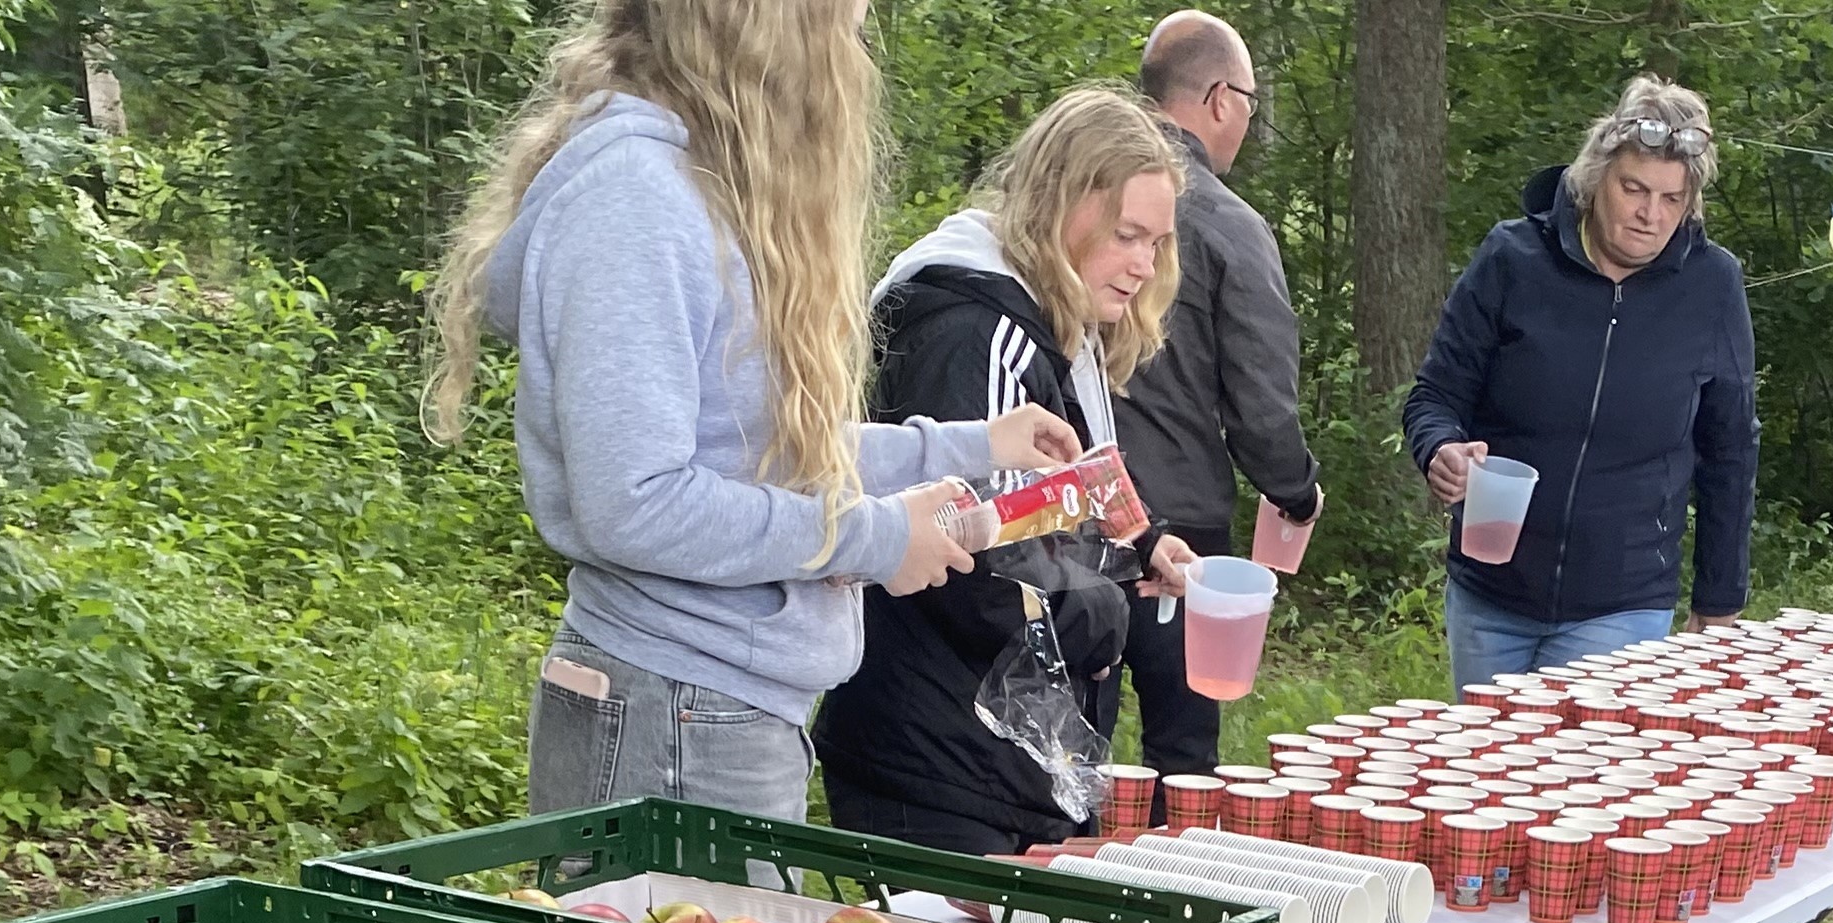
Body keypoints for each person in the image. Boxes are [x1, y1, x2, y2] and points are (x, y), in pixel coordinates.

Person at [430, 0, 1083, 823]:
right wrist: (879, 537)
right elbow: (634, 502)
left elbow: (748, 446)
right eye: (842, 27)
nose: (853, 55)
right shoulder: (637, 199)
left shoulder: (685, 189)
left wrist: (967, 447)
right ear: (772, 27)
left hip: (707, 712)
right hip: (675, 716)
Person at [819, 87, 1199, 854]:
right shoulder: (978, 333)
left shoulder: (1053, 327)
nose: (1142, 265)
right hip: (943, 762)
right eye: (1128, 235)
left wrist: (1141, 541)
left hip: (996, 760)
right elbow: (978, 565)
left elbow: (1059, 490)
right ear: (1061, 208)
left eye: (1157, 243)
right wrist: (1111, 610)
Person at [1402, 75, 1756, 690]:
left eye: (1672, 199)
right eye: (1634, 188)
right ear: (1595, 178)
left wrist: (1720, 598)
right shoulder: (1512, 260)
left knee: (1581, 781)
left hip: (1623, 603)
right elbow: (1436, 395)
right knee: (1486, 773)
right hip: (1492, 591)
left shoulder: (1712, 286)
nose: (1650, 214)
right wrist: (1440, 449)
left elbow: (1729, 449)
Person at [1108, 11, 1319, 778]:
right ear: (1222, 99)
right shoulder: (1228, 224)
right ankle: (1170, 888)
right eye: (1251, 107)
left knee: (1065, 748)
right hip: (1183, 534)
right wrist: (1295, 492)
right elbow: (1262, 406)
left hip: (1075, 513)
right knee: (1181, 755)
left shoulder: (1085, 197)